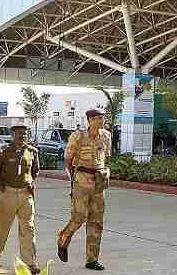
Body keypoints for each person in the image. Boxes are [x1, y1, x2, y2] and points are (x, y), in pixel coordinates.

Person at [57, 109, 112, 271]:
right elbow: (68, 160)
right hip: (81, 180)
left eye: (102, 118)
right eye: (97, 118)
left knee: (96, 222)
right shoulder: (78, 136)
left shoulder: (106, 136)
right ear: (89, 120)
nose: (100, 121)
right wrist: (72, 180)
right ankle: (63, 240)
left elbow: (104, 157)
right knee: (78, 217)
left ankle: (92, 259)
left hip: (99, 182)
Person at [0, 121, 41, 273]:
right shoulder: (2, 151)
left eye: (24, 133)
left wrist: (30, 182)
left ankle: (29, 262)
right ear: (12, 135)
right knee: (1, 227)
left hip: (26, 195)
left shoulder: (32, 151)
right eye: (18, 133)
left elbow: (35, 171)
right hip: (8, 194)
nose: (22, 136)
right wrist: (1, 187)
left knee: (28, 228)